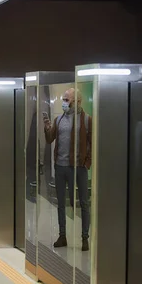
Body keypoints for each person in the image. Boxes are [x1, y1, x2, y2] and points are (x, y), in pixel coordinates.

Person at [44, 88, 92, 251]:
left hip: (78, 169)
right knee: (61, 203)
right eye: (63, 99)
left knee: (83, 202)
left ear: (77, 102)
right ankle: (62, 235)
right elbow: (50, 139)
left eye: (67, 100)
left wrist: (87, 163)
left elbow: (92, 143)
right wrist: (47, 127)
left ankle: (85, 237)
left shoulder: (86, 120)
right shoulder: (59, 120)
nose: (64, 102)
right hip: (60, 167)